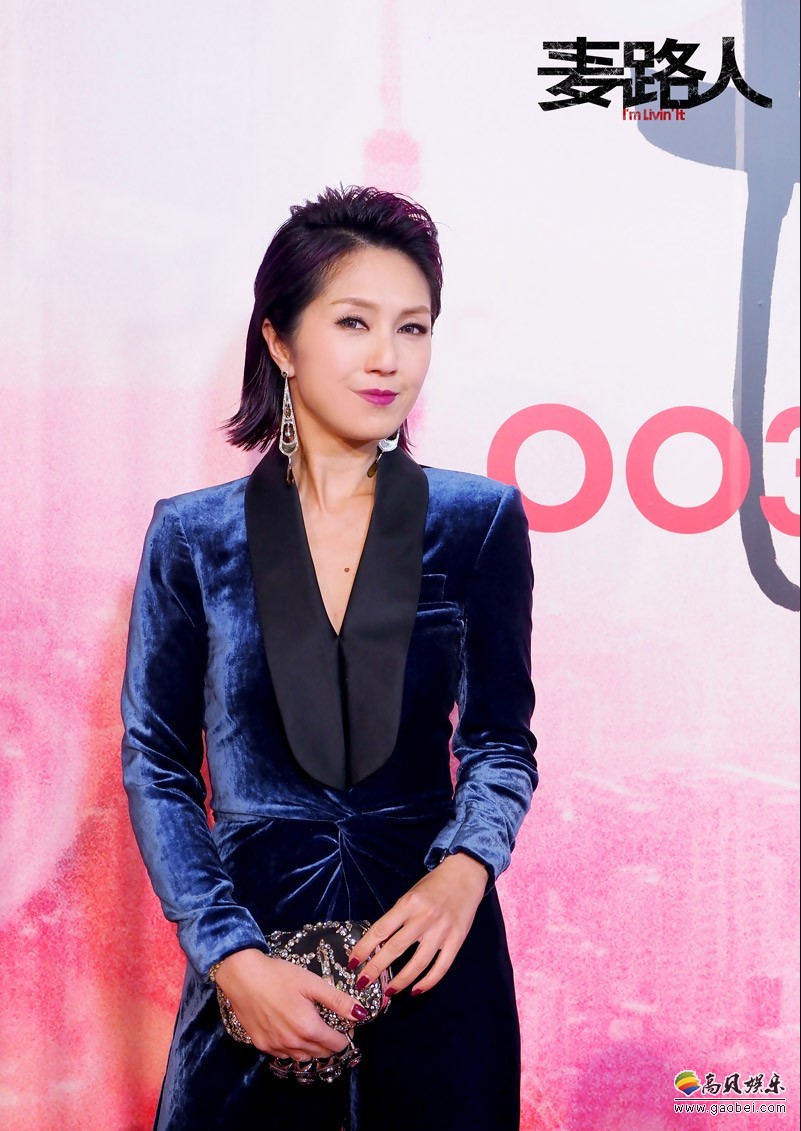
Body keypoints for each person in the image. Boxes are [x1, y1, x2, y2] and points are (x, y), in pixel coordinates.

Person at [120, 184, 538, 1130]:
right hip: (253, 960)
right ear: (280, 340)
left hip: (431, 955)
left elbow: (500, 742)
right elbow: (156, 761)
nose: (388, 356)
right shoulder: (192, 536)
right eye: (354, 321)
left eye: (413, 327)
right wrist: (229, 956)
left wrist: (465, 869)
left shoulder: (478, 521)